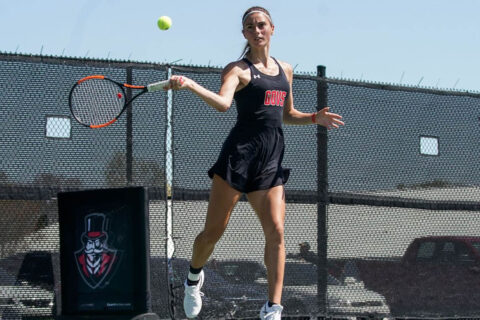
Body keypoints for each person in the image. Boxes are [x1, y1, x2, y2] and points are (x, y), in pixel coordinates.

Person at [165, 6, 344, 320]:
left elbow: (286, 114)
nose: (256, 29)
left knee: (276, 230)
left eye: (261, 24)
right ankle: (194, 277)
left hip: (270, 159)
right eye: (250, 26)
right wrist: (191, 85)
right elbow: (223, 104)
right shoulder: (237, 70)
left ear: (272, 28)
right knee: (213, 233)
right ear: (245, 34)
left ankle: (272, 308)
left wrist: (315, 117)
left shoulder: (285, 70)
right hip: (238, 157)